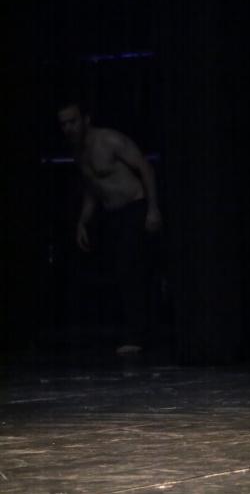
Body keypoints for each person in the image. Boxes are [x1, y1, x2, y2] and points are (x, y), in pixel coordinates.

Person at [57, 101, 163, 355]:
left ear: (86, 119)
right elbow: (92, 189)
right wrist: (83, 221)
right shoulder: (77, 152)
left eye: (72, 121)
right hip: (112, 215)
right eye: (63, 124)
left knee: (130, 268)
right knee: (118, 270)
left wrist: (153, 208)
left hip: (135, 208)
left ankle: (137, 335)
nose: (68, 128)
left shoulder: (110, 140)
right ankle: (135, 330)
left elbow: (145, 168)